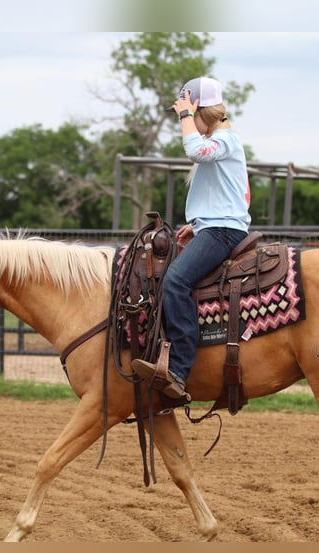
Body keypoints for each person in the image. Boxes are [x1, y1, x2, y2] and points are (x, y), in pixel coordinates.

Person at [132, 76, 252, 401]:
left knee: (175, 281)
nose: (185, 122)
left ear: (201, 110)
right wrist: (196, 226)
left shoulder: (226, 139)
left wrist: (185, 116)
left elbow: (195, 151)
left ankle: (179, 370)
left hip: (223, 229)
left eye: (189, 113)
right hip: (214, 227)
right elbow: (218, 192)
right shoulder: (224, 141)